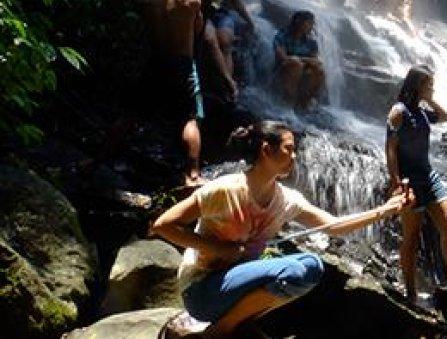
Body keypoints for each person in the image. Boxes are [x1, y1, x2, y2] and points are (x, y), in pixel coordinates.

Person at [151, 120, 408, 338]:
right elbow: (163, 225)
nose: (295, 157)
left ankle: (237, 324)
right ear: (266, 150)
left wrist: (383, 211)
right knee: (301, 266)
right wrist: (217, 248)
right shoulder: (224, 189)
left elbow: (334, 226)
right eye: (289, 149)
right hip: (201, 291)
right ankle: (219, 332)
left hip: (235, 289)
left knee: (309, 267)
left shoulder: (286, 199)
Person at [385, 65, 447, 301]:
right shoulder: (399, 111)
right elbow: (390, 149)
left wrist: (430, 99)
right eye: (429, 84)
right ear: (418, 85)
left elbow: (446, 116)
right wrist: (396, 182)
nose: (433, 88)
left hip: (429, 176)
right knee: (412, 236)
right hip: (410, 181)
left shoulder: (421, 111)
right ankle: (410, 290)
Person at [144, 0, 206, 187]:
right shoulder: (190, 0)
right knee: (190, 119)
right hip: (182, 64)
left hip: (156, 62)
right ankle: (192, 175)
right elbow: (198, 29)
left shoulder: (148, 2)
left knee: (131, 115)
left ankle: (95, 161)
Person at [193, 0, 255, 102]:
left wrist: (249, 21)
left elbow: (236, 1)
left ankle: (228, 88)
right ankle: (228, 82)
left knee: (225, 41)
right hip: (202, 14)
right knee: (209, 40)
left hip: (222, 15)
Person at [273, 10, 325, 110]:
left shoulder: (311, 43)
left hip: (304, 75)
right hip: (282, 73)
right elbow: (283, 58)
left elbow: (316, 61)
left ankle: (305, 102)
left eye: (312, 23)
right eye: (309, 23)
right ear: (298, 22)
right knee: (296, 65)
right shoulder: (282, 36)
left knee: (319, 70)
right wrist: (303, 60)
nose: (311, 26)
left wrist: (300, 59)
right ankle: (288, 103)